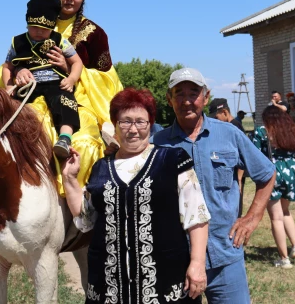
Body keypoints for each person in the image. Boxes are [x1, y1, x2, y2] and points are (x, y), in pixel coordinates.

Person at [63, 88, 211, 302]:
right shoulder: (101, 168)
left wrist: (197, 263)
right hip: (110, 289)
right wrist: (69, 179)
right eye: (125, 122)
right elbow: (86, 221)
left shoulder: (173, 160)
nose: (133, 129)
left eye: (140, 122)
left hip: (165, 285)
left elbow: (196, 217)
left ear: (150, 125)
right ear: (115, 125)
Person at [0, 0, 122, 194]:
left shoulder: (95, 34)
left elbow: (107, 80)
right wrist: (19, 74)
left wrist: (72, 71)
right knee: (26, 132)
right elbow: (8, 65)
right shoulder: (34, 29)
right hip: (31, 95)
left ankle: (81, 203)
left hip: (79, 99)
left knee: (83, 141)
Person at [152, 68, 276, 304]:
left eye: (194, 93)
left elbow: (267, 173)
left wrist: (252, 217)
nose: (187, 101)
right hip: (176, 261)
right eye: (179, 93)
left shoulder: (229, 134)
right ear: (169, 99)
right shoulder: (156, 144)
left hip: (226, 256)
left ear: (206, 97)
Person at [2, 0, 83, 158]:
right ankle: (9, 139)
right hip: (28, 84)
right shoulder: (17, 42)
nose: (38, 32)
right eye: (34, 27)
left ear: (52, 26)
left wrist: (71, 79)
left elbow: (77, 62)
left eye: (44, 29)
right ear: (27, 24)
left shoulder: (60, 40)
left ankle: (65, 138)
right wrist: (9, 85)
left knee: (65, 101)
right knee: (12, 105)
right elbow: (7, 67)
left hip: (55, 81)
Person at [252, 106, 295, 269]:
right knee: (286, 212)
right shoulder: (292, 131)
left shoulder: (262, 132)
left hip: (272, 174)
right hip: (291, 173)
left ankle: (284, 258)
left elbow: (255, 154)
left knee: (276, 217)